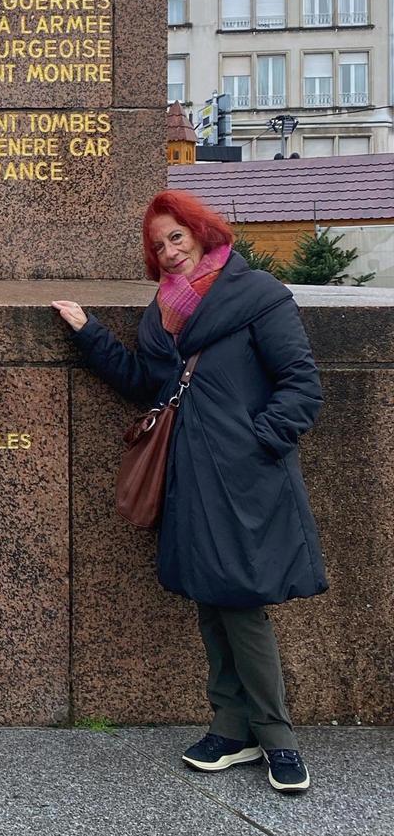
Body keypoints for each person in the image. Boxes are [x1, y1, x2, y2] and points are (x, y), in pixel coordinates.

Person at [52, 189, 326, 795]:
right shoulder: (161, 315)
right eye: (158, 245)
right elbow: (147, 387)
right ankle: (232, 728)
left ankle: (275, 737)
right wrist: (89, 333)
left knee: (240, 603)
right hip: (187, 477)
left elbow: (301, 384)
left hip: (245, 476)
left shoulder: (257, 297)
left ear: (202, 233)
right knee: (211, 598)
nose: (169, 252)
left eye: (177, 237)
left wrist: (258, 443)